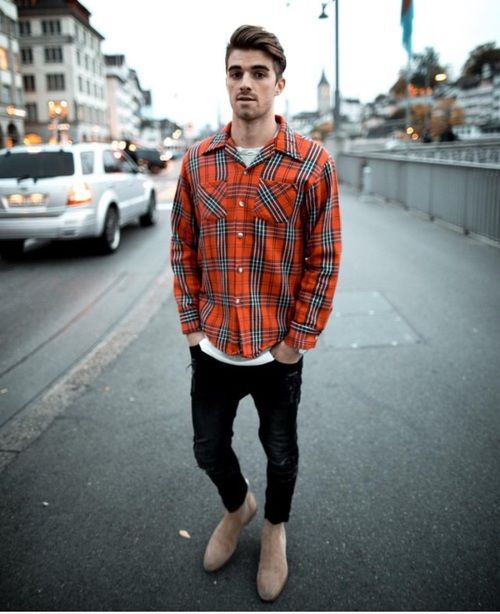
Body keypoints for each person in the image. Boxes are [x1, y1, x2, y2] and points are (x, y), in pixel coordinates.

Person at [170, 24, 341, 602]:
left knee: (282, 453)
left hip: (276, 347)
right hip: (214, 343)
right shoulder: (197, 163)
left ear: (279, 84)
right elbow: (182, 246)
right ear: (227, 80)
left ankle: (274, 530)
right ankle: (238, 506)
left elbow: (325, 257)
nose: (246, 83)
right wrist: (191, 325)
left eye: (258, 73)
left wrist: (298, 339)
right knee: (207, 448)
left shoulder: (312, 163)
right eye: (237, 72)